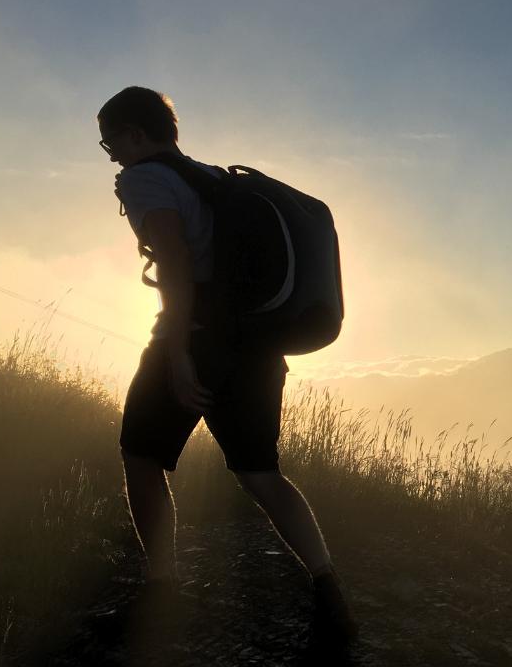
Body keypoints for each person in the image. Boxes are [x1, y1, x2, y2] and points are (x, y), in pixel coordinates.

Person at [99, 86, 357, 654]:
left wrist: (177, 351)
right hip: (259, 346)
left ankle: (160, 587)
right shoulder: (211, 177)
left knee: (142, 457)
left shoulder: (144, 179)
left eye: (110, 140)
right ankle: (328, 591)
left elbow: (175, 263)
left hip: (198, 340)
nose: (110, 153)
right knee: (260, 472)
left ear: (136, 134)